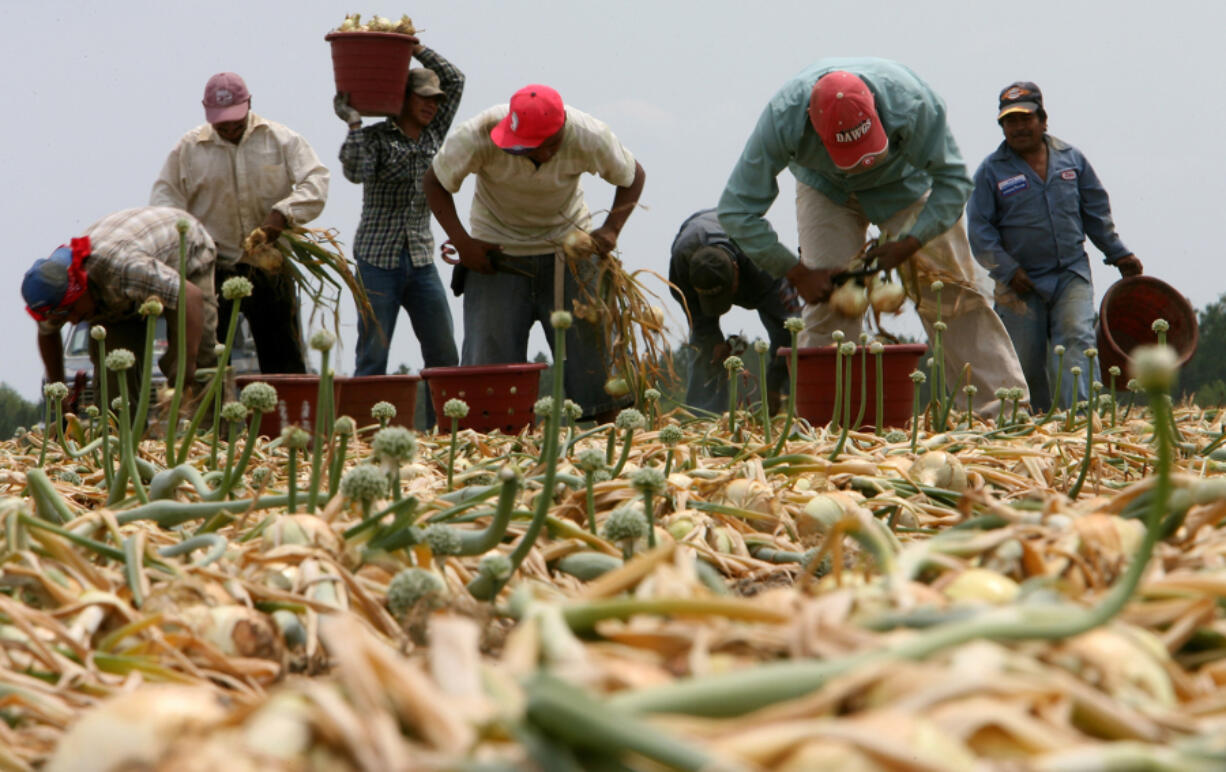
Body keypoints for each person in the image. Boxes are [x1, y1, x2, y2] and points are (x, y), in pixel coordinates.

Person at [718, 57, 1027, 416]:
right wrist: (797, 272)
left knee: (951, 292)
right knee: (830, 301)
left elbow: (954, 182)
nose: (860, 164)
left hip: (905, 183)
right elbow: (735, 211)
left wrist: (912, 242)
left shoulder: (915, 104)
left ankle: (1001, 411)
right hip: (826, 189)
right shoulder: (782, 118)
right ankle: (827, 420)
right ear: (812, 127)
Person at [423, 84, 646, 422]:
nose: (529, 154)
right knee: (489, 371)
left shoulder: (587, 134)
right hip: (496, 256)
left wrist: (611, 229)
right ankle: (491, 443)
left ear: (559, 137)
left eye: (538, 148)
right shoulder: (479, 133)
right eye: (521, 147)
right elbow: (434, 181)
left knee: (597, 363)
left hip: (569, 253)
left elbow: (632, 176)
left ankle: (611, 442)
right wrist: (463, 242)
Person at [968, 81, 1143, 412]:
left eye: (1026, 119)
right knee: (1024, 361)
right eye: (1010, 121)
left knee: (1077, 340)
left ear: (1043, 120)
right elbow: (979, 231)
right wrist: (1007, 270)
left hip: (1069, 273)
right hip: (1018, 283)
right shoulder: (990, 172)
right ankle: (1035, 429)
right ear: (1002, 126)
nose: (1019, 128)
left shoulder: (1071, 160)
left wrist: (1119, 253)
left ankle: (1081, 421)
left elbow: (1096, 214)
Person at [151, 72, 330, 374]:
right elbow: (165, 204)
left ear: (249, 104)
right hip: (212, 270)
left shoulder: (282, 140)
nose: (230, 128)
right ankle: (213, 419)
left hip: (269, 267)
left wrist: (283, 214)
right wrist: (188, 243)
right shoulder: (188, 150)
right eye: (222, 123)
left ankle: (286, 419)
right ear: (207, 112)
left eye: (236, 120)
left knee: (283, 359)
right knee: (210, 360)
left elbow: (316, 182)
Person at [334, 36, 462, 428]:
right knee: (373, 354)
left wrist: (415, 47)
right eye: (423, 97)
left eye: (435, 100)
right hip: (377, 261)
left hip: (421, 259)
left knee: (443, 354)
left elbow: (455, 79)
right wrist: (353, 123)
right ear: (401, 98)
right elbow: (354, 172)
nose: (432, 105)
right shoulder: (374, 138)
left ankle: (443, 434)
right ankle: (365, 435)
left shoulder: (434, 134)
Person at [22, 207, 219, 406]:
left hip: (187, 253)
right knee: (114, 380)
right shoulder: (50, 289)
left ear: (81, 287)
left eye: (71, 310)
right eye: (63, 318)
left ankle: (211, 431)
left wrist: (187, 360)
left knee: (198, 358)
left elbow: (190, 295)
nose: (73, 321)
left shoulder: (124, 268)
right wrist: (60, 398)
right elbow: (47, 333)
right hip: (119, 290)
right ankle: (127, 434)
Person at [669, 208, 800, 414]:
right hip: (697, 228)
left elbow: (788, 329)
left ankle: (796, 412)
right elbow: (692, 309)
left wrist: (774, 384)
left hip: (745, 239)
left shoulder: (763, 261)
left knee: (791, 341)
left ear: (736, 269)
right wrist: (713, 338)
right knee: (707, 349)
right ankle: (704, 422)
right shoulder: (682, 262)